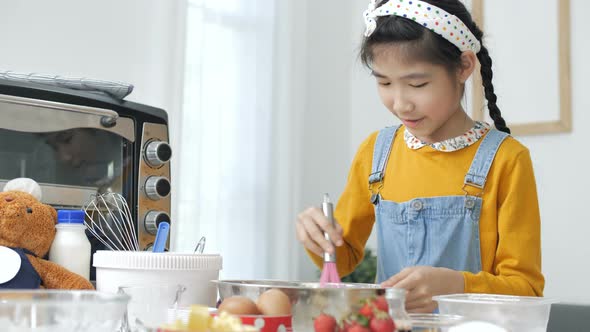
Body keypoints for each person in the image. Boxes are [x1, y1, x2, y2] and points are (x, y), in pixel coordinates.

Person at [295, 0, 544, 313]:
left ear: (464, 66)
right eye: (384, 82)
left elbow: (527, 291)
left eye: (417, 84)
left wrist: (456, 287)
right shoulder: (376, 153)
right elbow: (342, 259)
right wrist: (319, 236)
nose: (400, 104)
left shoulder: (507, 160)